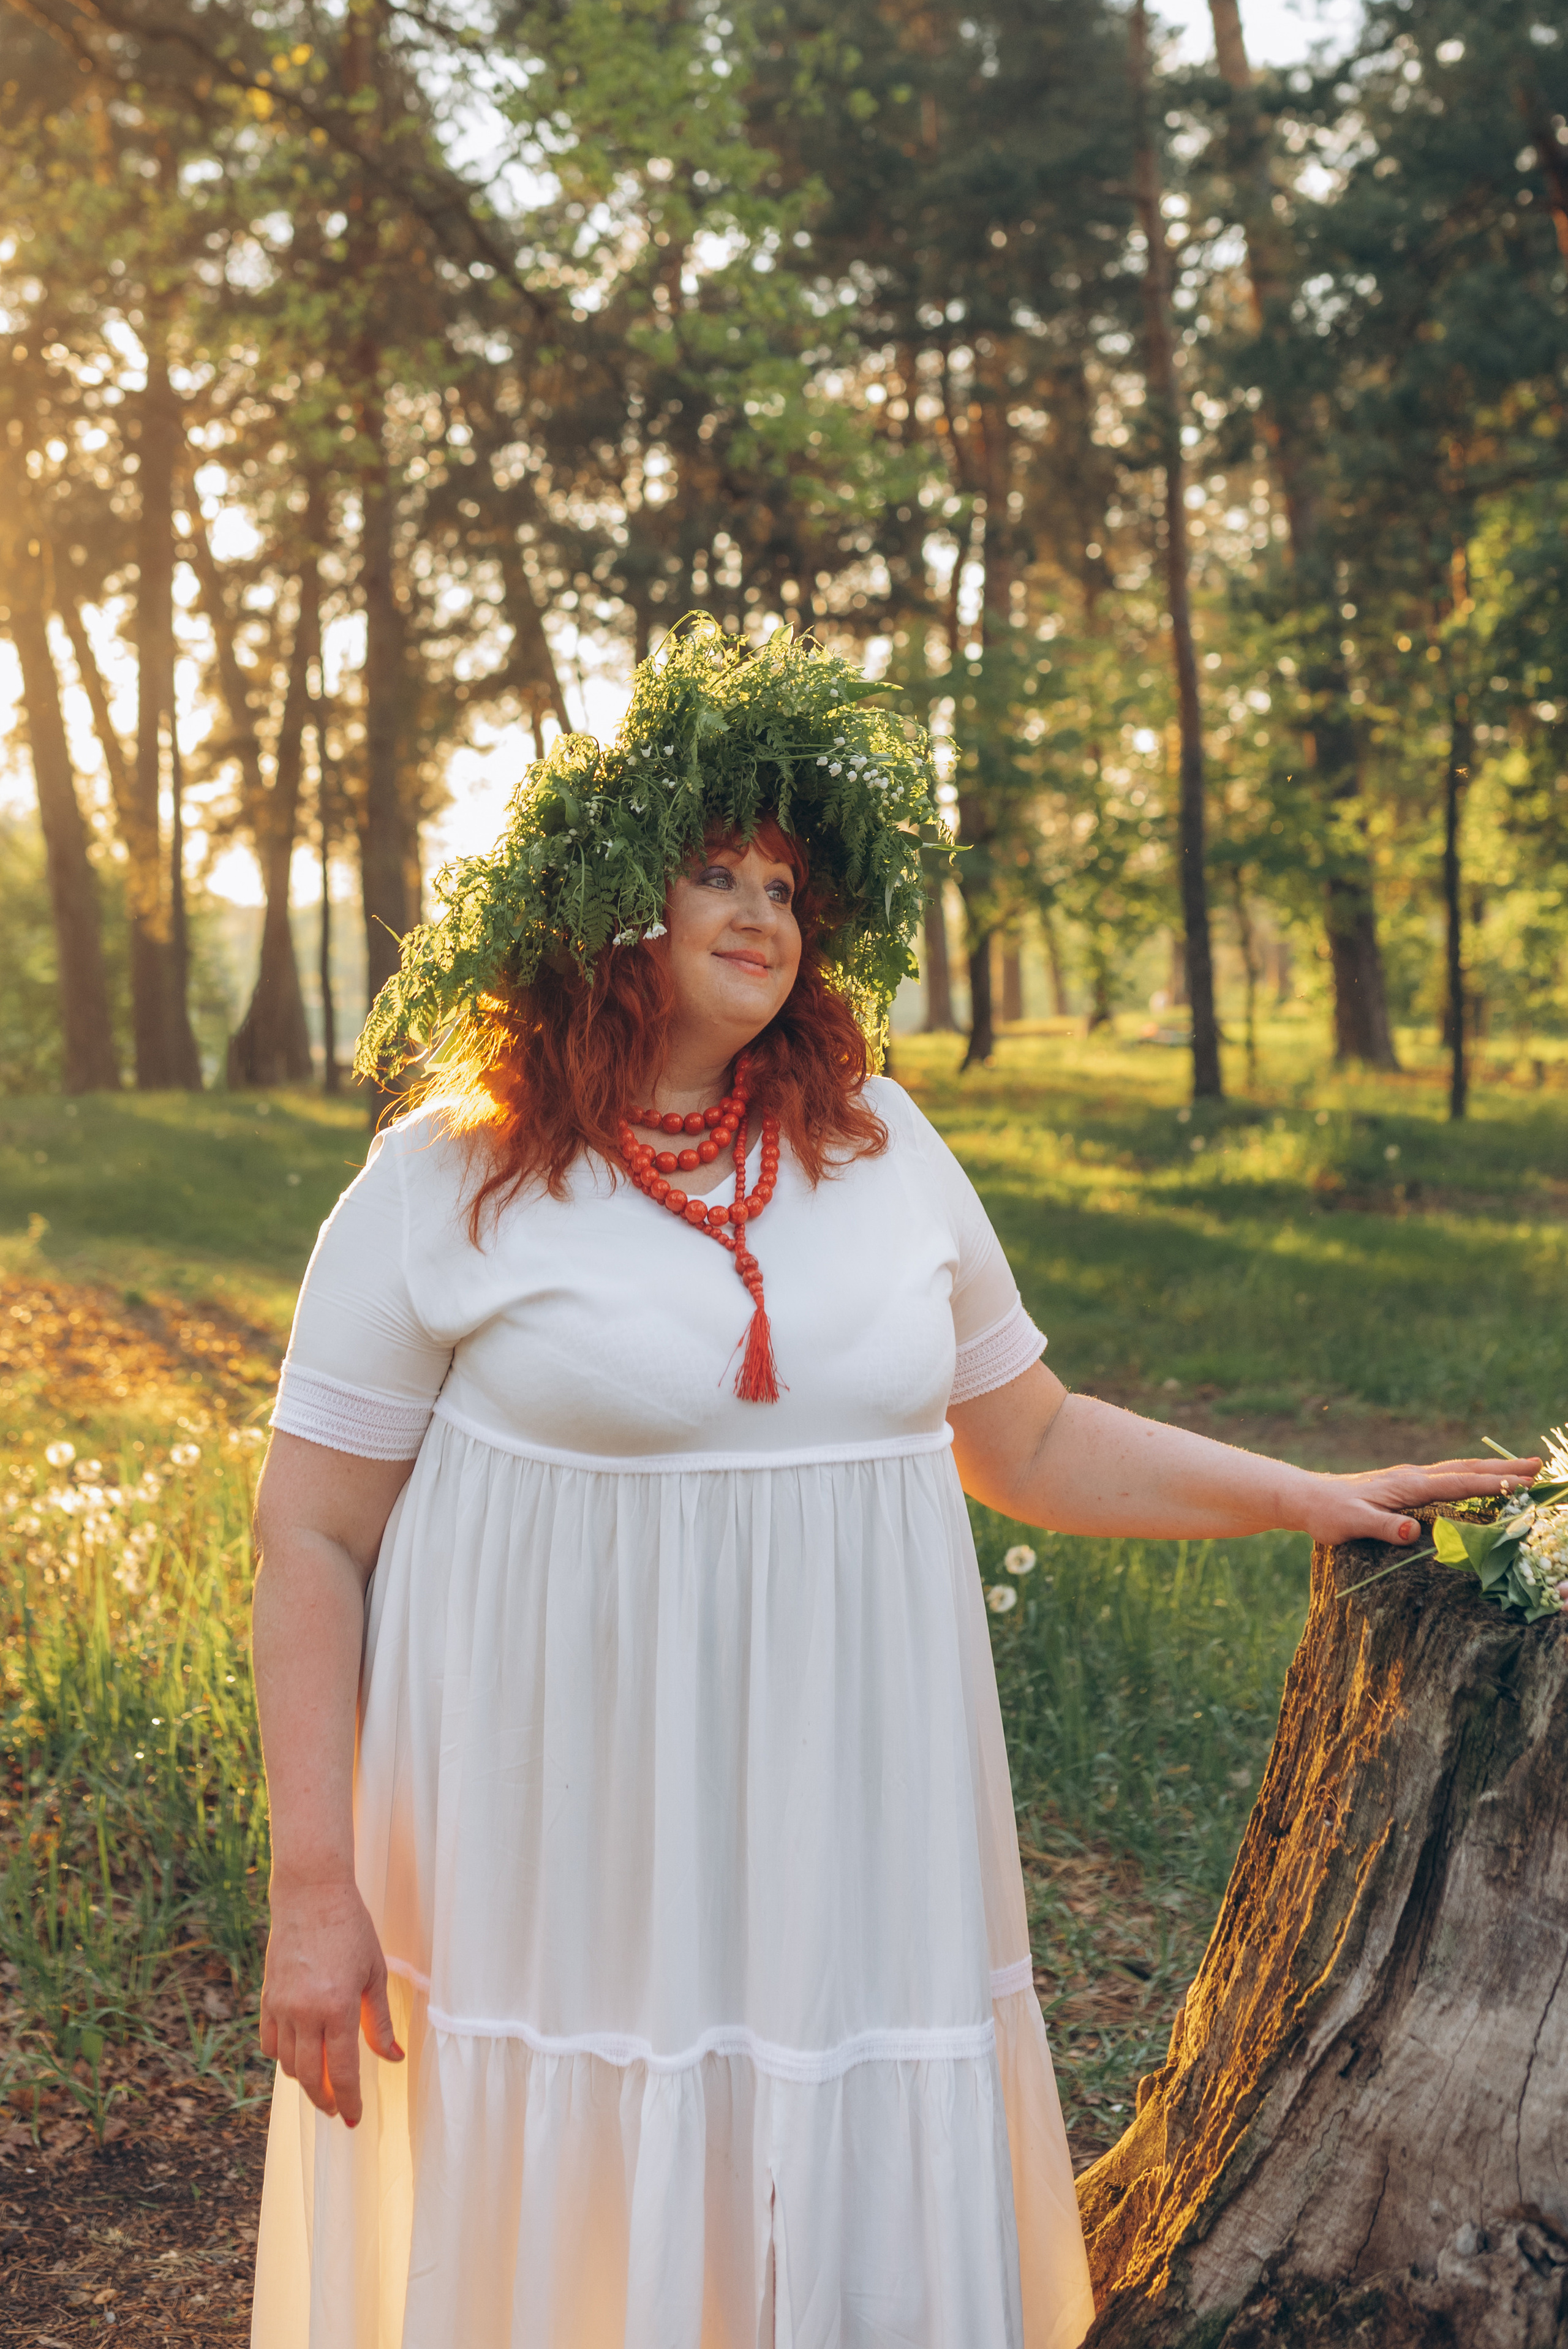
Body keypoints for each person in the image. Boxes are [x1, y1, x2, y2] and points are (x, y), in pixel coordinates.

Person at [248, 621, 1535, 2349]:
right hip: (555, 1846)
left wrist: (1310, 1492)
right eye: (716, 872)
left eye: (788, 886)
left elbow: (1035, 1440)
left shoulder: (883, 1143)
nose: (761, 914)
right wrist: (316, 1890)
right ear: (603, 902)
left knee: (828, 2159)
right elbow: (311, 1536)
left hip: (849, 1818)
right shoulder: (447, 1176)